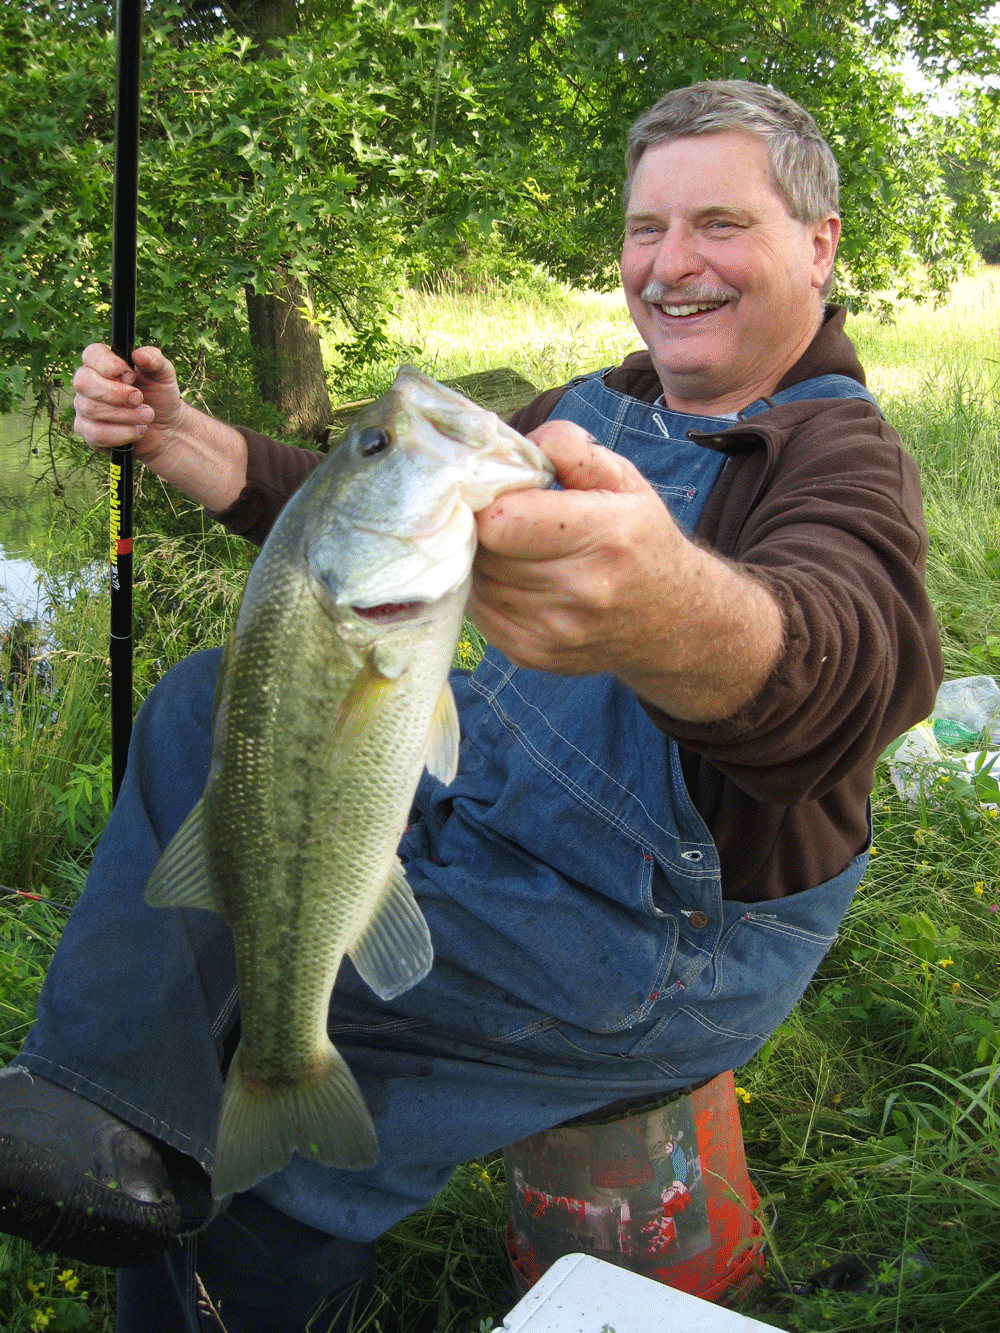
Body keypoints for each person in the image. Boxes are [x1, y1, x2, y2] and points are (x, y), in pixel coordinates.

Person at [0, 80, 942, 1331]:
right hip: (486, 822)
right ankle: (103, 1103)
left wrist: (669, 608)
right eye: (643, 229)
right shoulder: (594, 406)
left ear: (816, 245)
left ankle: (228, 1210)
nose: (671, 266)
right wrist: (186, 442)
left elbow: (860, 660)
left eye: (719, 223)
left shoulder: (837, 457)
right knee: (212, 699)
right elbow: (352, 521)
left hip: (655, 938)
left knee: (261, 1165)